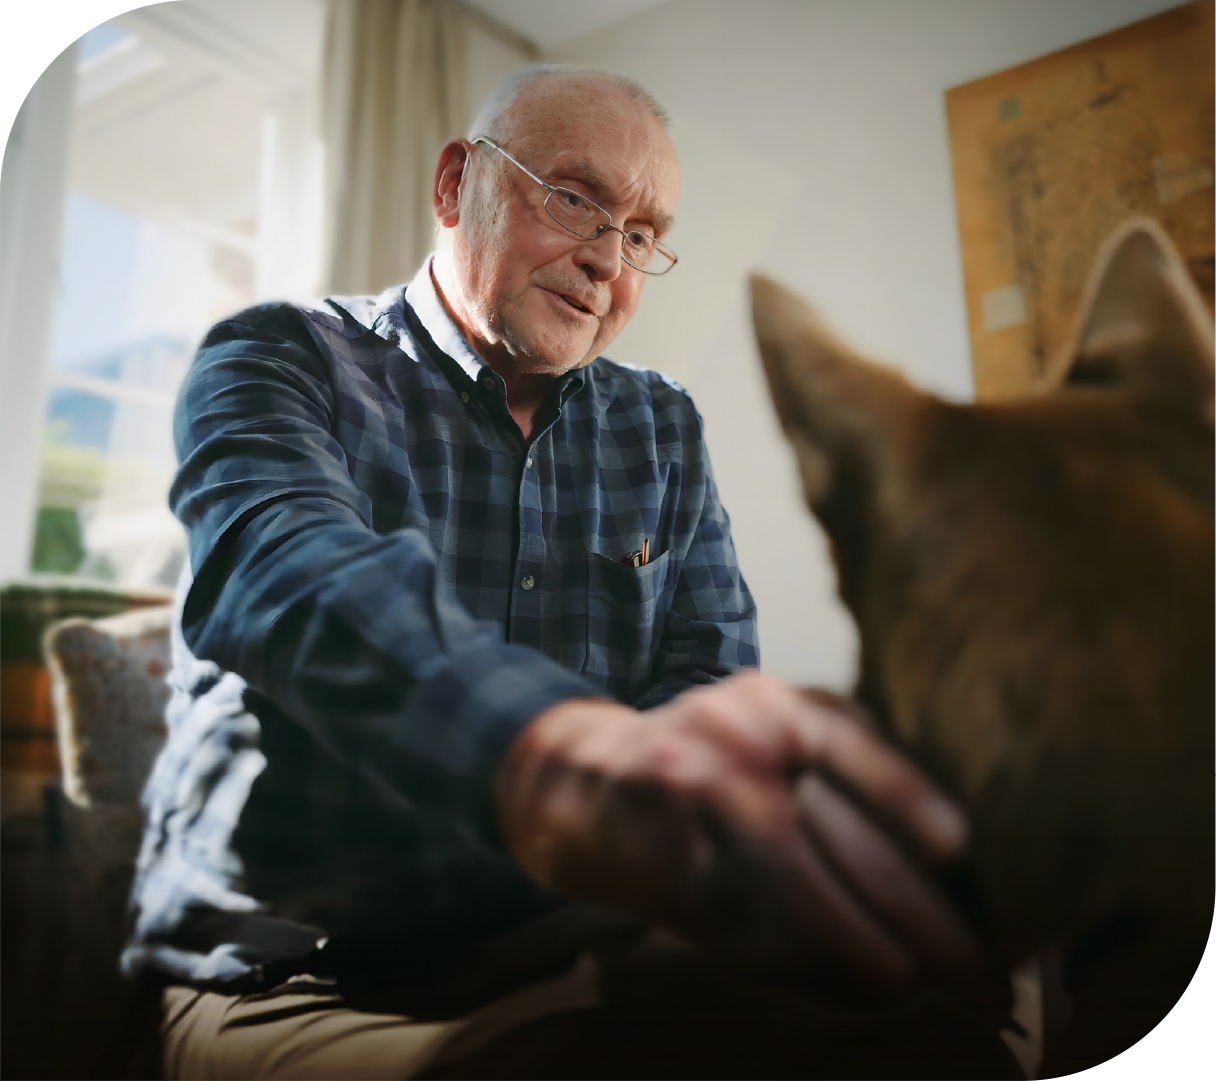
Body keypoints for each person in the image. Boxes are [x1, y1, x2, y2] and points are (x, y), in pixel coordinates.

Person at [126, 66, 1007, 1078]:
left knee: (927, 1026)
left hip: (574, 937)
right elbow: (285, 571)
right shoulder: (277, 356)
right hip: (303, 965)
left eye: (640, 236)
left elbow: (706, 664)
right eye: (575, 199)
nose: (605, 263)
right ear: (456, 184)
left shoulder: (659, 422)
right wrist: (563, 759)